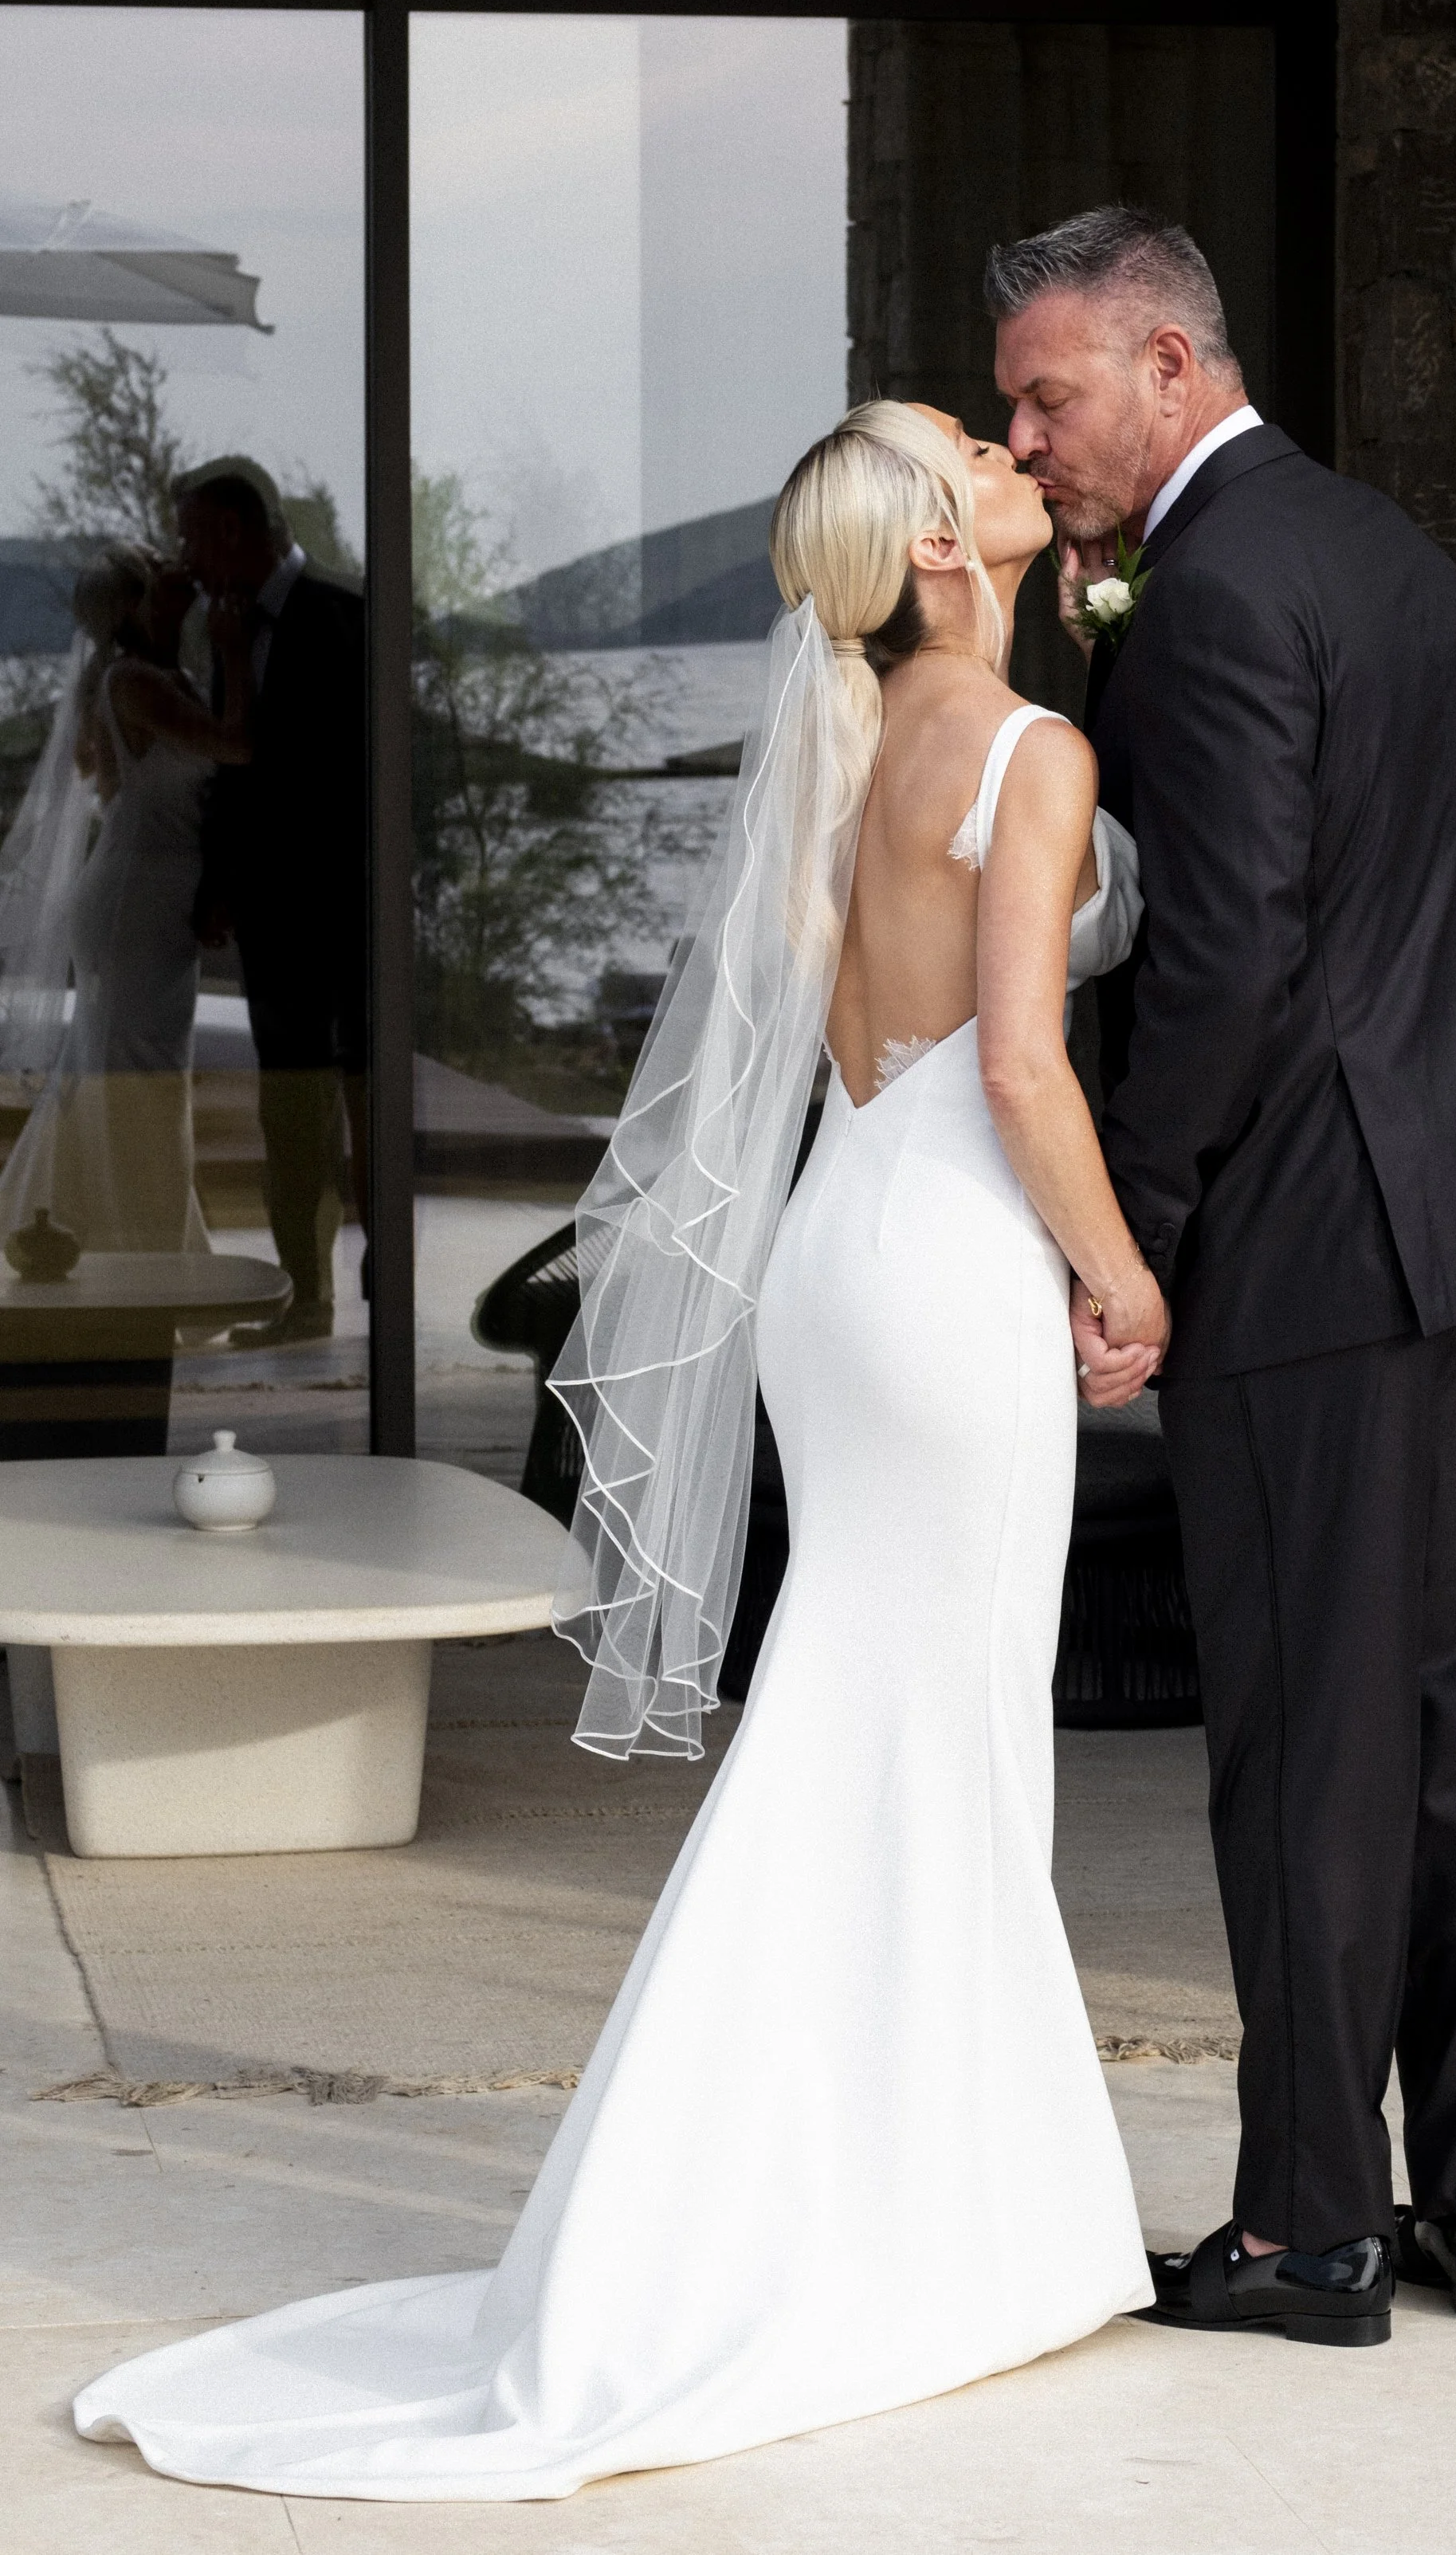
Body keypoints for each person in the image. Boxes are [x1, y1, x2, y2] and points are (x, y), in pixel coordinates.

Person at [74, 401, 1168, 2501]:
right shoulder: (1030, 758)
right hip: (946, 1267)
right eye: (975, 449)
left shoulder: (844, 753)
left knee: (878, 1718)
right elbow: (1023, 1066)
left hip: (839, 1257)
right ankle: (891, 2210)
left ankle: (936, 2191)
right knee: (928, 1731)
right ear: (944, 545)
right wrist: (1121, 1283)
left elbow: (853, 1037)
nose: (1010, 457)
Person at [990, 206, 1456, 2340]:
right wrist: (1432, 1092)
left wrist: (1122, 1226)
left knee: (1307, 1740)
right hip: (1439, 1226)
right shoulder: (1380, 548)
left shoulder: (1210, 589)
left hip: (1302, 1250)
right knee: (1445, 1721)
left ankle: (1312, 2219)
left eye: (1046, 393)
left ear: (1163, 359)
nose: (1024, 436)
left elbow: (1214, 966)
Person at [0, 542, 250, 1256]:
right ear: (134, 608)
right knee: (140, 1074)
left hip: (157, 894)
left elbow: (102, 766)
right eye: (156, 578)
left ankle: (89, 1231)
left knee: (130, 1070)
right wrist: (234, 652)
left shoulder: (158, 678)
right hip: (133, 897)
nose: (178, 575)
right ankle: (135, 1245)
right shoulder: (134, 682)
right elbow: (235, 746)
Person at [177, 458, 368, 1345]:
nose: (186, 552)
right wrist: (222, 885)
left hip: (345, 918)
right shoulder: (231, 632)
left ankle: (371, 1297)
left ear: (229, 531)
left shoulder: (340, 616)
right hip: (276, 927)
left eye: (191, 533)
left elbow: (348, 777)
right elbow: (235, 775)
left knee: (364, 1112)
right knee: (288, 1114)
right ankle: (308, 1296)